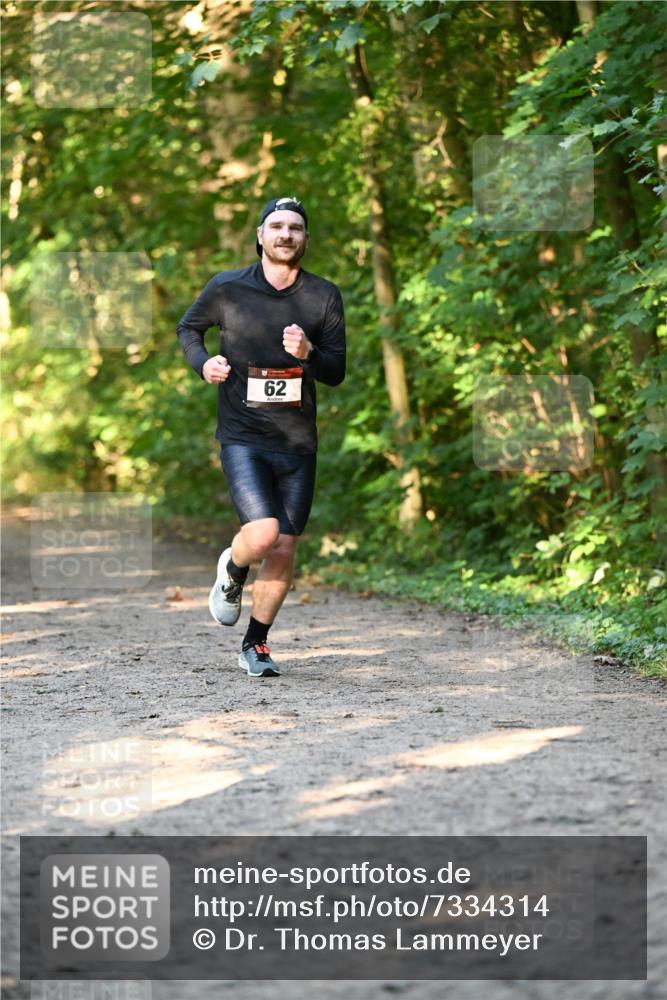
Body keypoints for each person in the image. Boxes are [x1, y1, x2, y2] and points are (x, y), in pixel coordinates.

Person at [176, 196, 346, 678]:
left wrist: (309, 351)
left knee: (287, 547)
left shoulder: (324, 296)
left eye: (295, 228)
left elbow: (335, 371)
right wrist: (202, 362)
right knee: (265, 534)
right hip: (243, 433)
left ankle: (256, 644)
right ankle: (233, 568)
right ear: (260, 235)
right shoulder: (228, 288)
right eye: (276, 226)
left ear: (305, 239)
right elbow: (189, 329)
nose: (286, 234)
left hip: (298, 441)